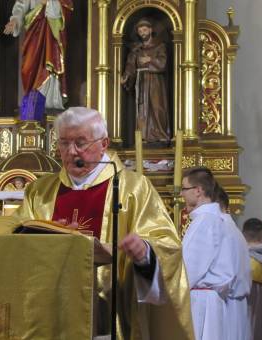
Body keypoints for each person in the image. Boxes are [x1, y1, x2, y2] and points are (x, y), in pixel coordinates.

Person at [12, 107, 194, 339]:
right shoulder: (40, 191)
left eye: (80, 142)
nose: (71, 152)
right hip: (54, 309)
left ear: (104, 143)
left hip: (113, 309)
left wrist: (144, 254)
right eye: (64, 143)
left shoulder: (133, 188)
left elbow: (167, 245)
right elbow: (16, 239)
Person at [180, 167, 232, 340]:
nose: (181, 194)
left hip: (201, 304)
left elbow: (188, 270)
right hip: (207, 300)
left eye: (184, 189)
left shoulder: (205, 221)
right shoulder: (211, 219)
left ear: (198, 190)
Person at [3, 0, 73, 110]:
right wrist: (15, 20)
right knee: (29, 66)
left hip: (52, 31)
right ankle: (33, 99)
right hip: (34, 30)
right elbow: (21, 5)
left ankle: (50, 101)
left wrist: (49, 3)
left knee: (50, 63)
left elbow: (67, 6)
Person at [121, 18, 170, 142]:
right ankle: (144, 136)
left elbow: (163, 63)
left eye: (145, 29)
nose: (142, 32)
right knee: (142, 109)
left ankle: (160, 135)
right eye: (140, 30)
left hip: (155, 82)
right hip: (141, 81)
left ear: (150, 30)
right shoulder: (136, 50)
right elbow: (131, 65)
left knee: (157, 108)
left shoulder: (159, 46)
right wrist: (126, 76)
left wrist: (150, 60)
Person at [214, 184, 251, 340]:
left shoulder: (222, 229)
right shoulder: (233, 229)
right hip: (236, 304)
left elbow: (223, 276)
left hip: (227, 305)